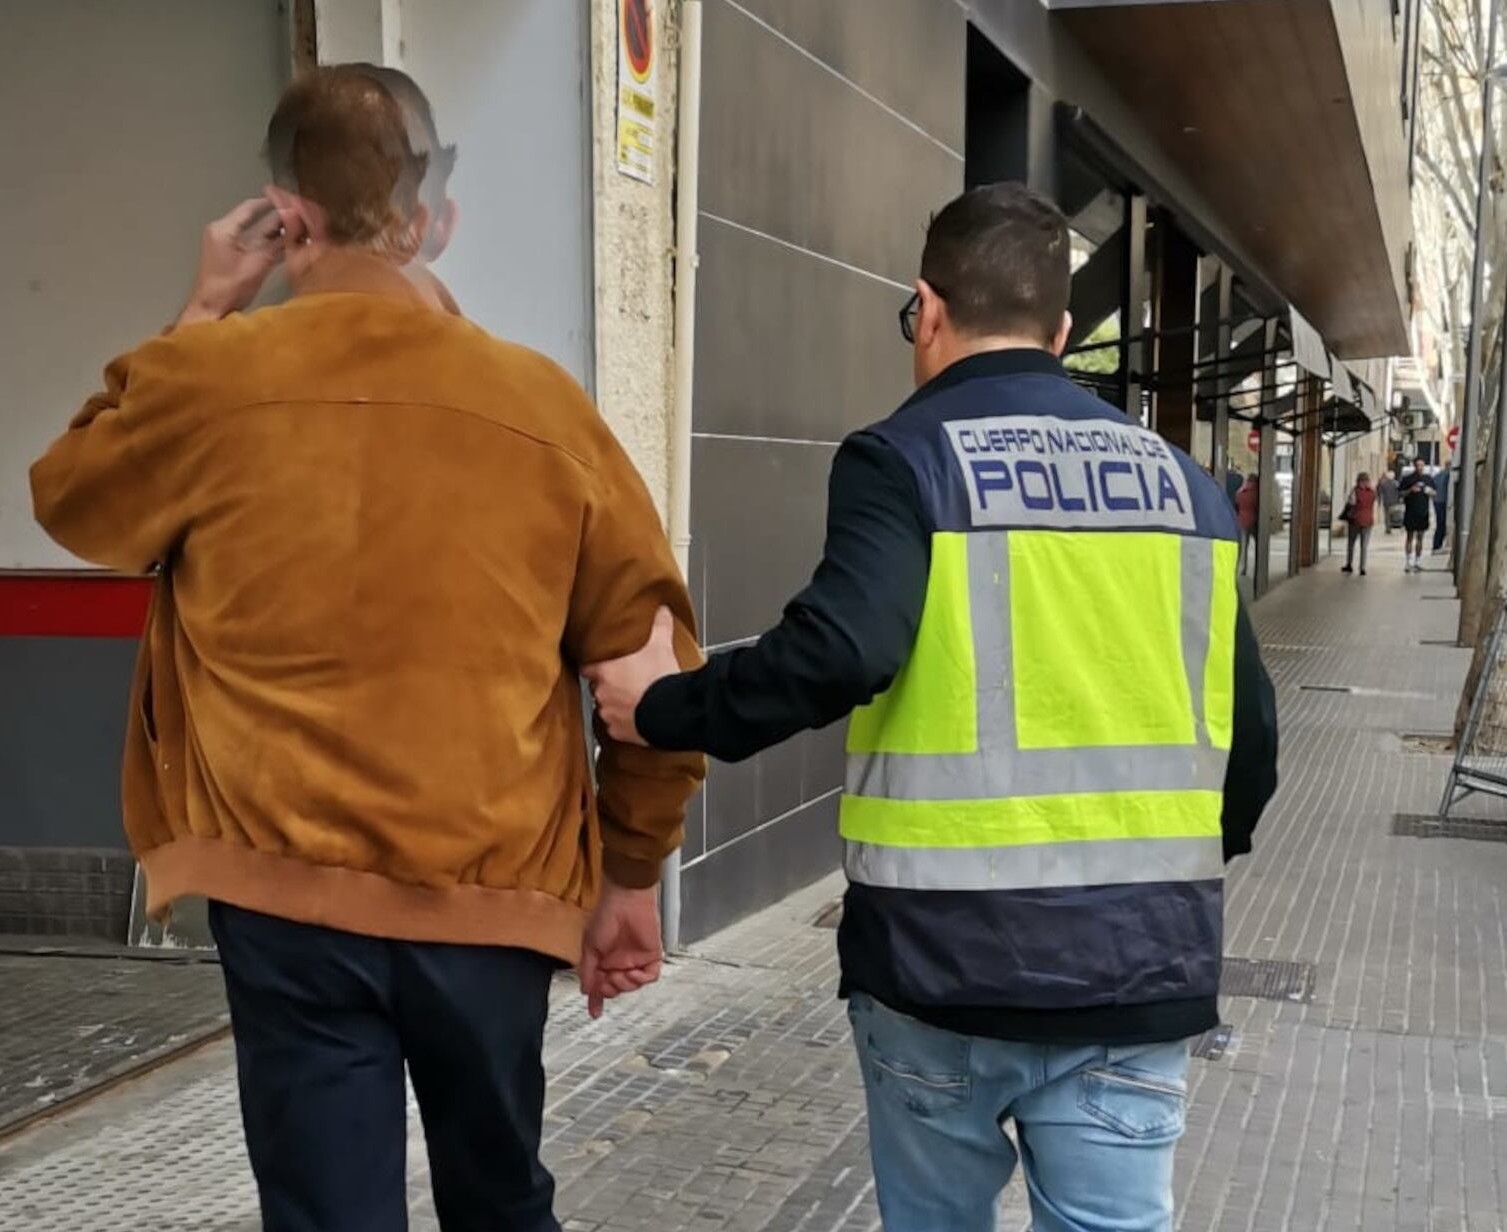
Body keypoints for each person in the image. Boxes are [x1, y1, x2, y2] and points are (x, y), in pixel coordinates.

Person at [30, 65, 704, 1232]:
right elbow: (650, 665)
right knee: (500, 1200)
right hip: (492, 896)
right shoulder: (545, 412)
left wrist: (202, 312)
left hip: (281, 891)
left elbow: (76, 501)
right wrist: (630, 876)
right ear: (433, 218)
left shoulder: (209, 386)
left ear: (283, 218)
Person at [584, 184, 1280, 1232]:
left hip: (940, 969)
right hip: (1139, 967)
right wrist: (1154, 876)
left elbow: (841, 647)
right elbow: (1253, 745)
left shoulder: (905, 460)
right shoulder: (1186, 489)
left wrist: (663, 708)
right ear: (1058, 332)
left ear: (928, 308)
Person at [1399, 458, 1436, 573]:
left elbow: (1435, 493)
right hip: (1410, 511)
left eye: (1422, 465)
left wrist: (1429, 491)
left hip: (1423, 512)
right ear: (1414, 466)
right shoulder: (1407, 479)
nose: (1420, 467)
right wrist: (1410, 490)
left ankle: (1417, 561)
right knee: (1409, 536)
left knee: (1420, 537)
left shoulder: (1428, 479)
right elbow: (1400, 493)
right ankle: (1408, 561)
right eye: (1418, 465)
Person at [1340, 472, 1377, 576]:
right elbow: (1374, 500)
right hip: (1368, 521)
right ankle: (1362, 568)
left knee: (1351, 544)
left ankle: (1349, 564)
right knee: (1364, 546)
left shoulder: (1355, 491)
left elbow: (1351, 503)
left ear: (1359, 481)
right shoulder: (1372, 492)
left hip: (1355, 520)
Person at [1236, 472, 1260, 576]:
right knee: (1259, 546)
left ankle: (1242, 568)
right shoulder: (1257, 492)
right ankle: (1259, 567)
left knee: (1244, 547)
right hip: (1254, 521)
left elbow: (1237, 505)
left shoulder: (1240, 492)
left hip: (1242, 521)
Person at [1433, 464, 1452, 554]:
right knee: (1442, 524)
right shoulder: (1448, 476)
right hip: (1443, 501)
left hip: (1437, 501)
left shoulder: (1437, 476)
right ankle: (1437, 545)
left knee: (1440, 523)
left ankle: (1437, 545)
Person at [1377, 468, 1400, 534]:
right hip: (1394, 501)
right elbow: (1399, 492)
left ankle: (1388, 527)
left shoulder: (1384, 483)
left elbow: (1380, 492)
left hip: (1386, 501)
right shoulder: (1396, 483)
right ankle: (1391, 526)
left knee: (1387, 515)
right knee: (1392, 514)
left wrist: (1380, 501)